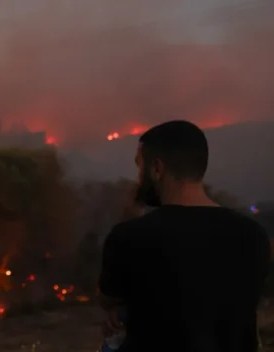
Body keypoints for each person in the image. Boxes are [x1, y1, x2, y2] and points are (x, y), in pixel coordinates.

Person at [99, 120, 271, 351]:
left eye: (140, 167)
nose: (139, 178)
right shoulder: (253, 236)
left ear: (156, 169)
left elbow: (109, 297)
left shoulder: (131, 236)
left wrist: (128, 219)